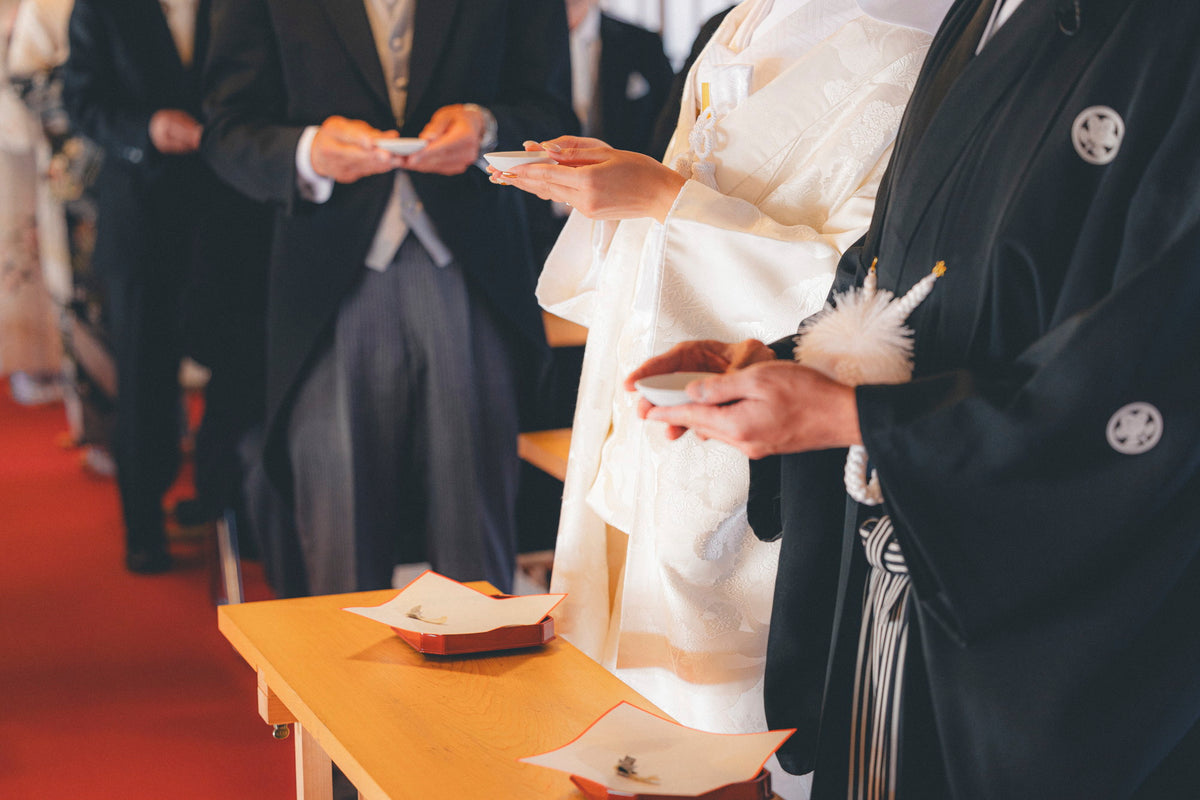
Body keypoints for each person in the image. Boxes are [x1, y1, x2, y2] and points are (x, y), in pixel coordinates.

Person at [628, 0, 1200, 796]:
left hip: (1038, 606)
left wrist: (851, 417)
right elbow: (896, 264)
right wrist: (792, 364)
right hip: (899, 539)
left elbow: (1156, 365)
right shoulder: (980, 15)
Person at [496, 0, 940, 762]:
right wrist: (614, 186)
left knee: (731, 736)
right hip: (653, 418)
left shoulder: (915, 39)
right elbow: (684, 181)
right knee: (629, 720)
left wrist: (666, 202)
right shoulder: (743, 18)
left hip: (763, 445)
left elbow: (869, 288)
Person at [200, 0, 575, 596]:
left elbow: (551, 106)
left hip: (472, 272)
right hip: (327, 283)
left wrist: (486, 127)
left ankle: (478, 687)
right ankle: (340, 689)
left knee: (478, 552)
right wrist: (307, 151)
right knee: (339, 548)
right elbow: (226, 130)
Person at [61, 0, 215, 573]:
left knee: (235, 366)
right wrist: (145, 130)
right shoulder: (102, 7)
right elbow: (80, 101)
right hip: (141, 217)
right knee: (146, 379)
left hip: (225, 211)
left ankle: (222, 499)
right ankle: (143, 523)